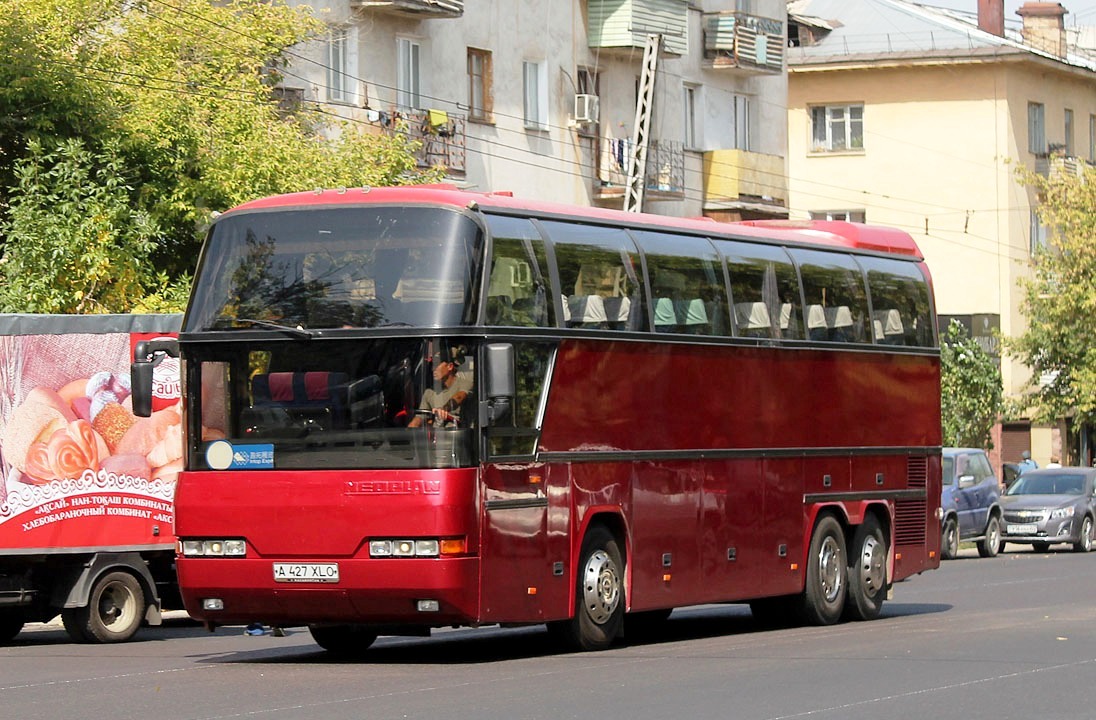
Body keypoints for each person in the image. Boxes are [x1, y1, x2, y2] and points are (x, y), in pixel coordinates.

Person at [408, 348, 472, 428]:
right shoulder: (429, 393)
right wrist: (408, 432)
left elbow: (460, 396)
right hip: (437, 437)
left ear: (450, 366)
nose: (433, 369)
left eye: (436, 365)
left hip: (460, 437)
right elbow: (419, 418)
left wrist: (444, 409)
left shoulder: (465, 384)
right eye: (432, 366)